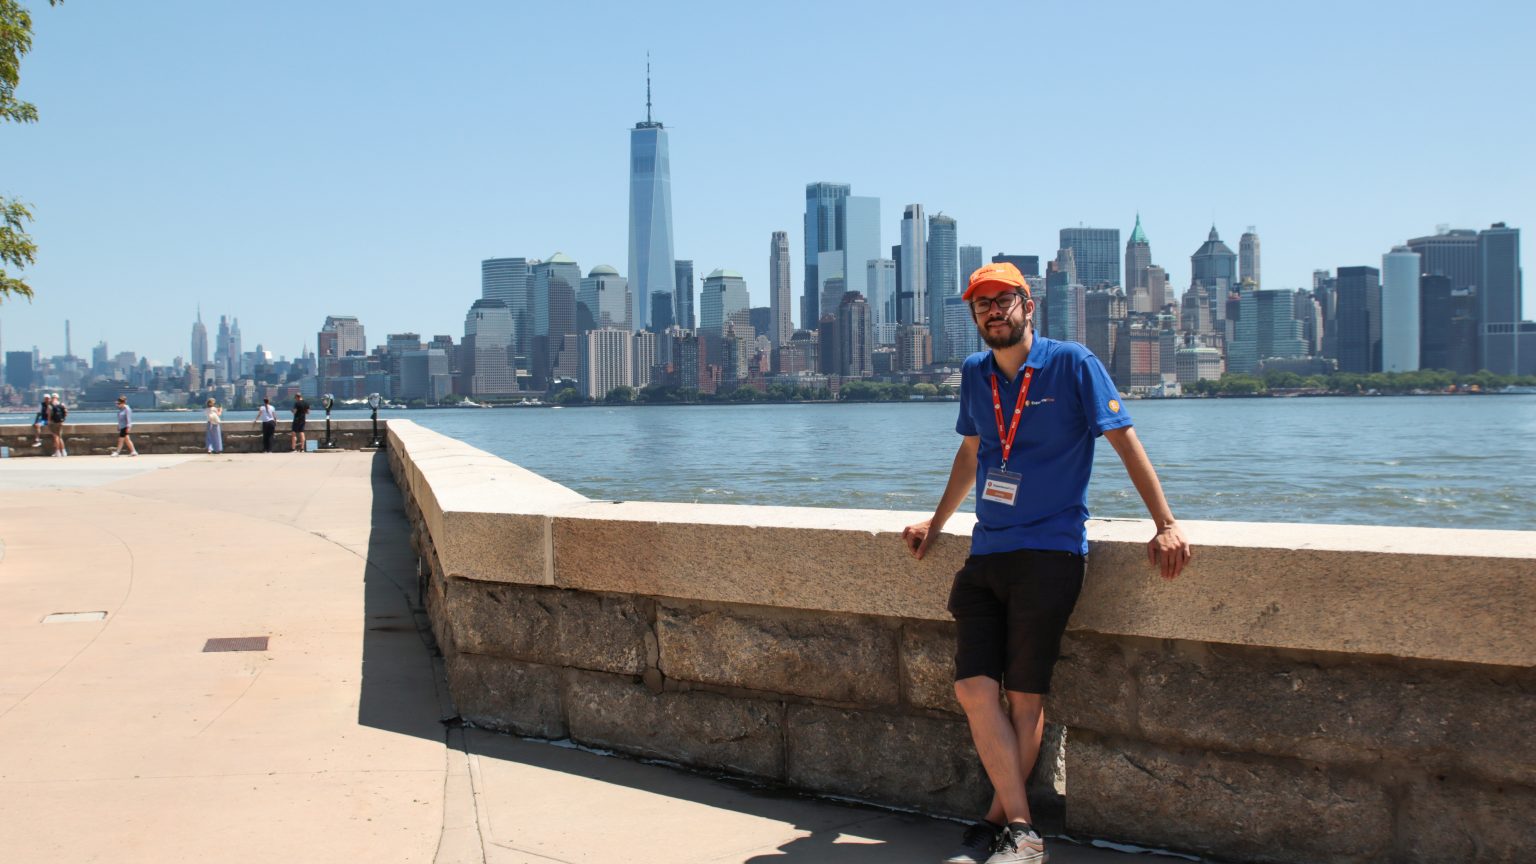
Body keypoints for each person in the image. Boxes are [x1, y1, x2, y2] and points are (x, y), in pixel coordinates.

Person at [903, 262, 1191, 864]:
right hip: (987, 551)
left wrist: (1165, 524)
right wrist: (938, 521)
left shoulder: (1073, 363)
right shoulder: (974, 374)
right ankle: (1020, 826)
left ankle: (1004, 827)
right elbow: (972, 452)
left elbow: (1125, 441)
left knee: (1025, 699)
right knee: (973, 687)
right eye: (980, 305)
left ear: (1028, 306)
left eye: (1002, 301)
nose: (991, 312)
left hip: (1051, 554)